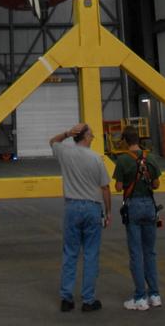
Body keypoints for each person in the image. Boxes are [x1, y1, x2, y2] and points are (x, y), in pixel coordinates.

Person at [50, 121, 111, 313]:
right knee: (91, 254)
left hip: (72, 207)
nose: (92, 138)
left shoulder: (65, 153)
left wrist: (67, 133)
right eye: (91, 135)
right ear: (85, 136)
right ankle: (88, 300)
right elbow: (105, 187)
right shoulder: (96, 159)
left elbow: (53, 141)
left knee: (70, 253)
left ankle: (66, 299)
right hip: (92, 208)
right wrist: (108, 211)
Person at [113, 126, 162, 311]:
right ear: (139, 139)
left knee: (136, 253)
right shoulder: (150, 158)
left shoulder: (123, 160)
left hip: (133, 206)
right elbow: (156, 184)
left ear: (126, 141)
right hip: (149, 205)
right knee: (150, 252)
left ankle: (140, 297)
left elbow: (118, 187)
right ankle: (155, 295)